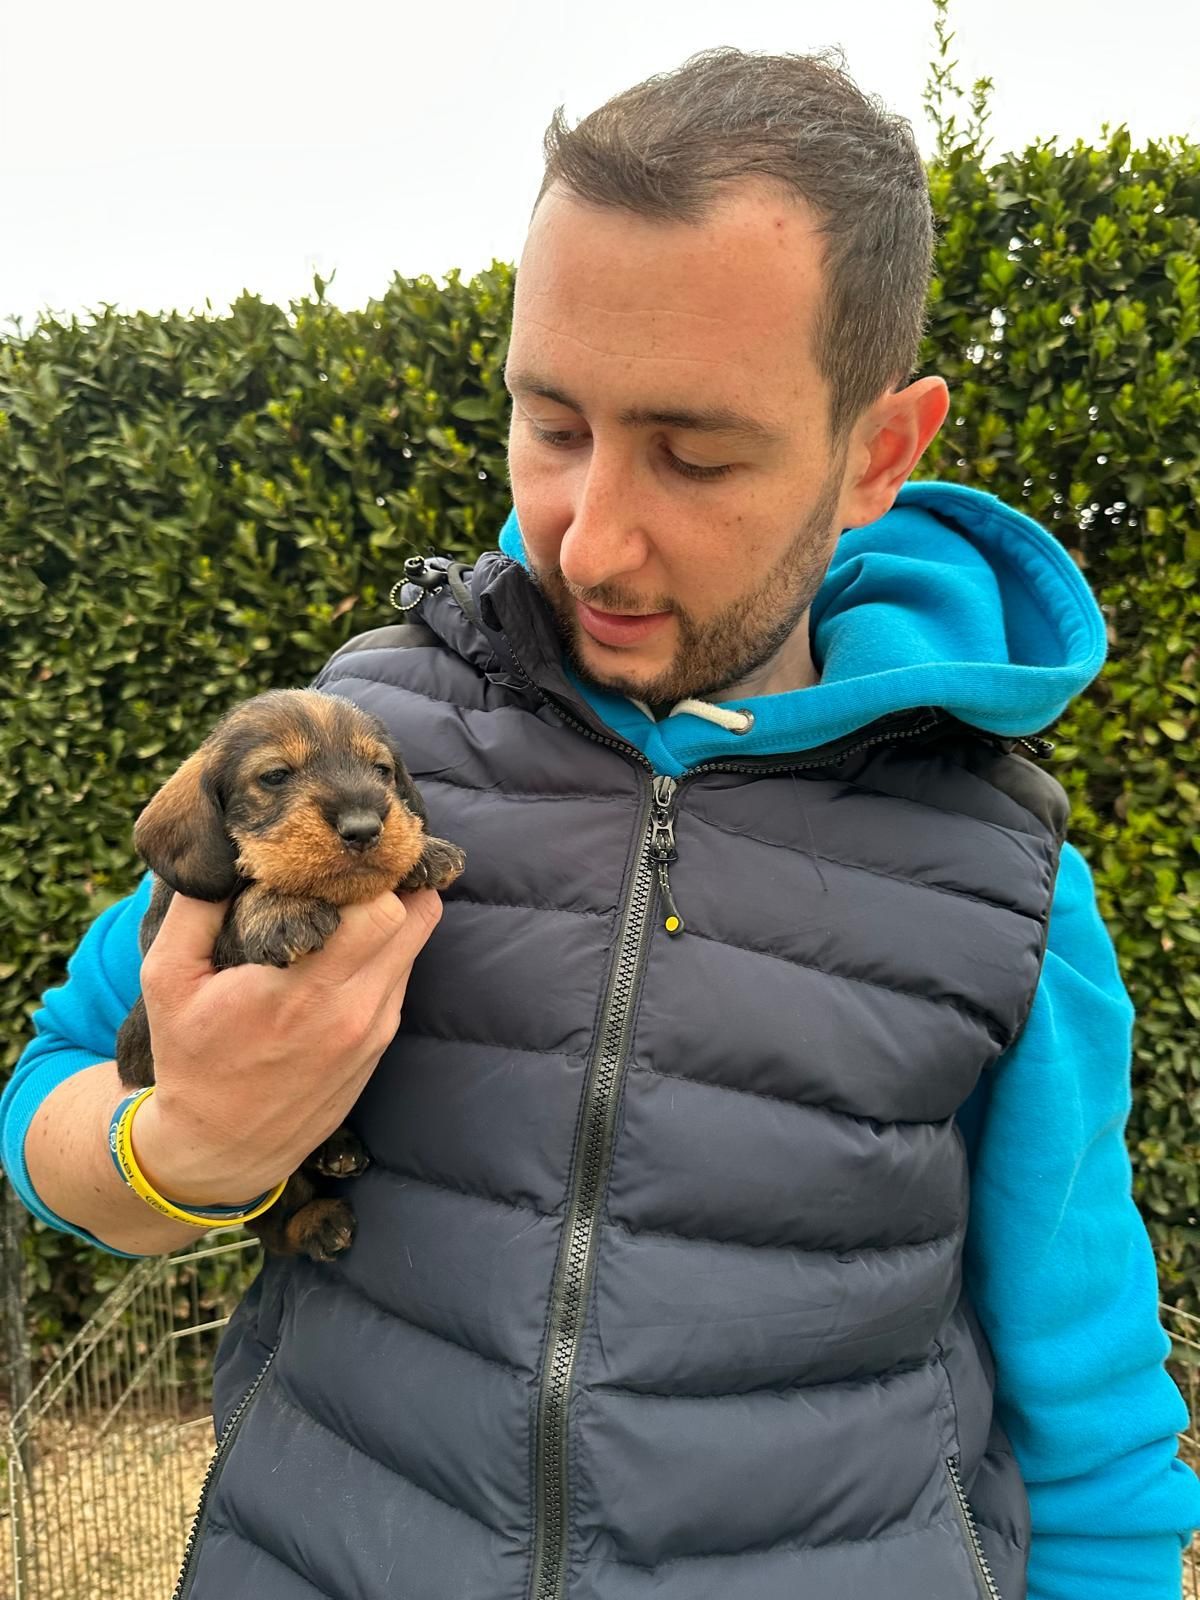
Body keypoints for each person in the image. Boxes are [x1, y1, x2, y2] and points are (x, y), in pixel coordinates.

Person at [2, 45, 1197, 1600]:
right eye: (550, 423)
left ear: (879, 453)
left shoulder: (1013, 883)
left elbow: (1090, 1409)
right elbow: (52, 1092)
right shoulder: (373, 738)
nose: (592, 538)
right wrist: (180, 1152)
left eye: (694, 453)